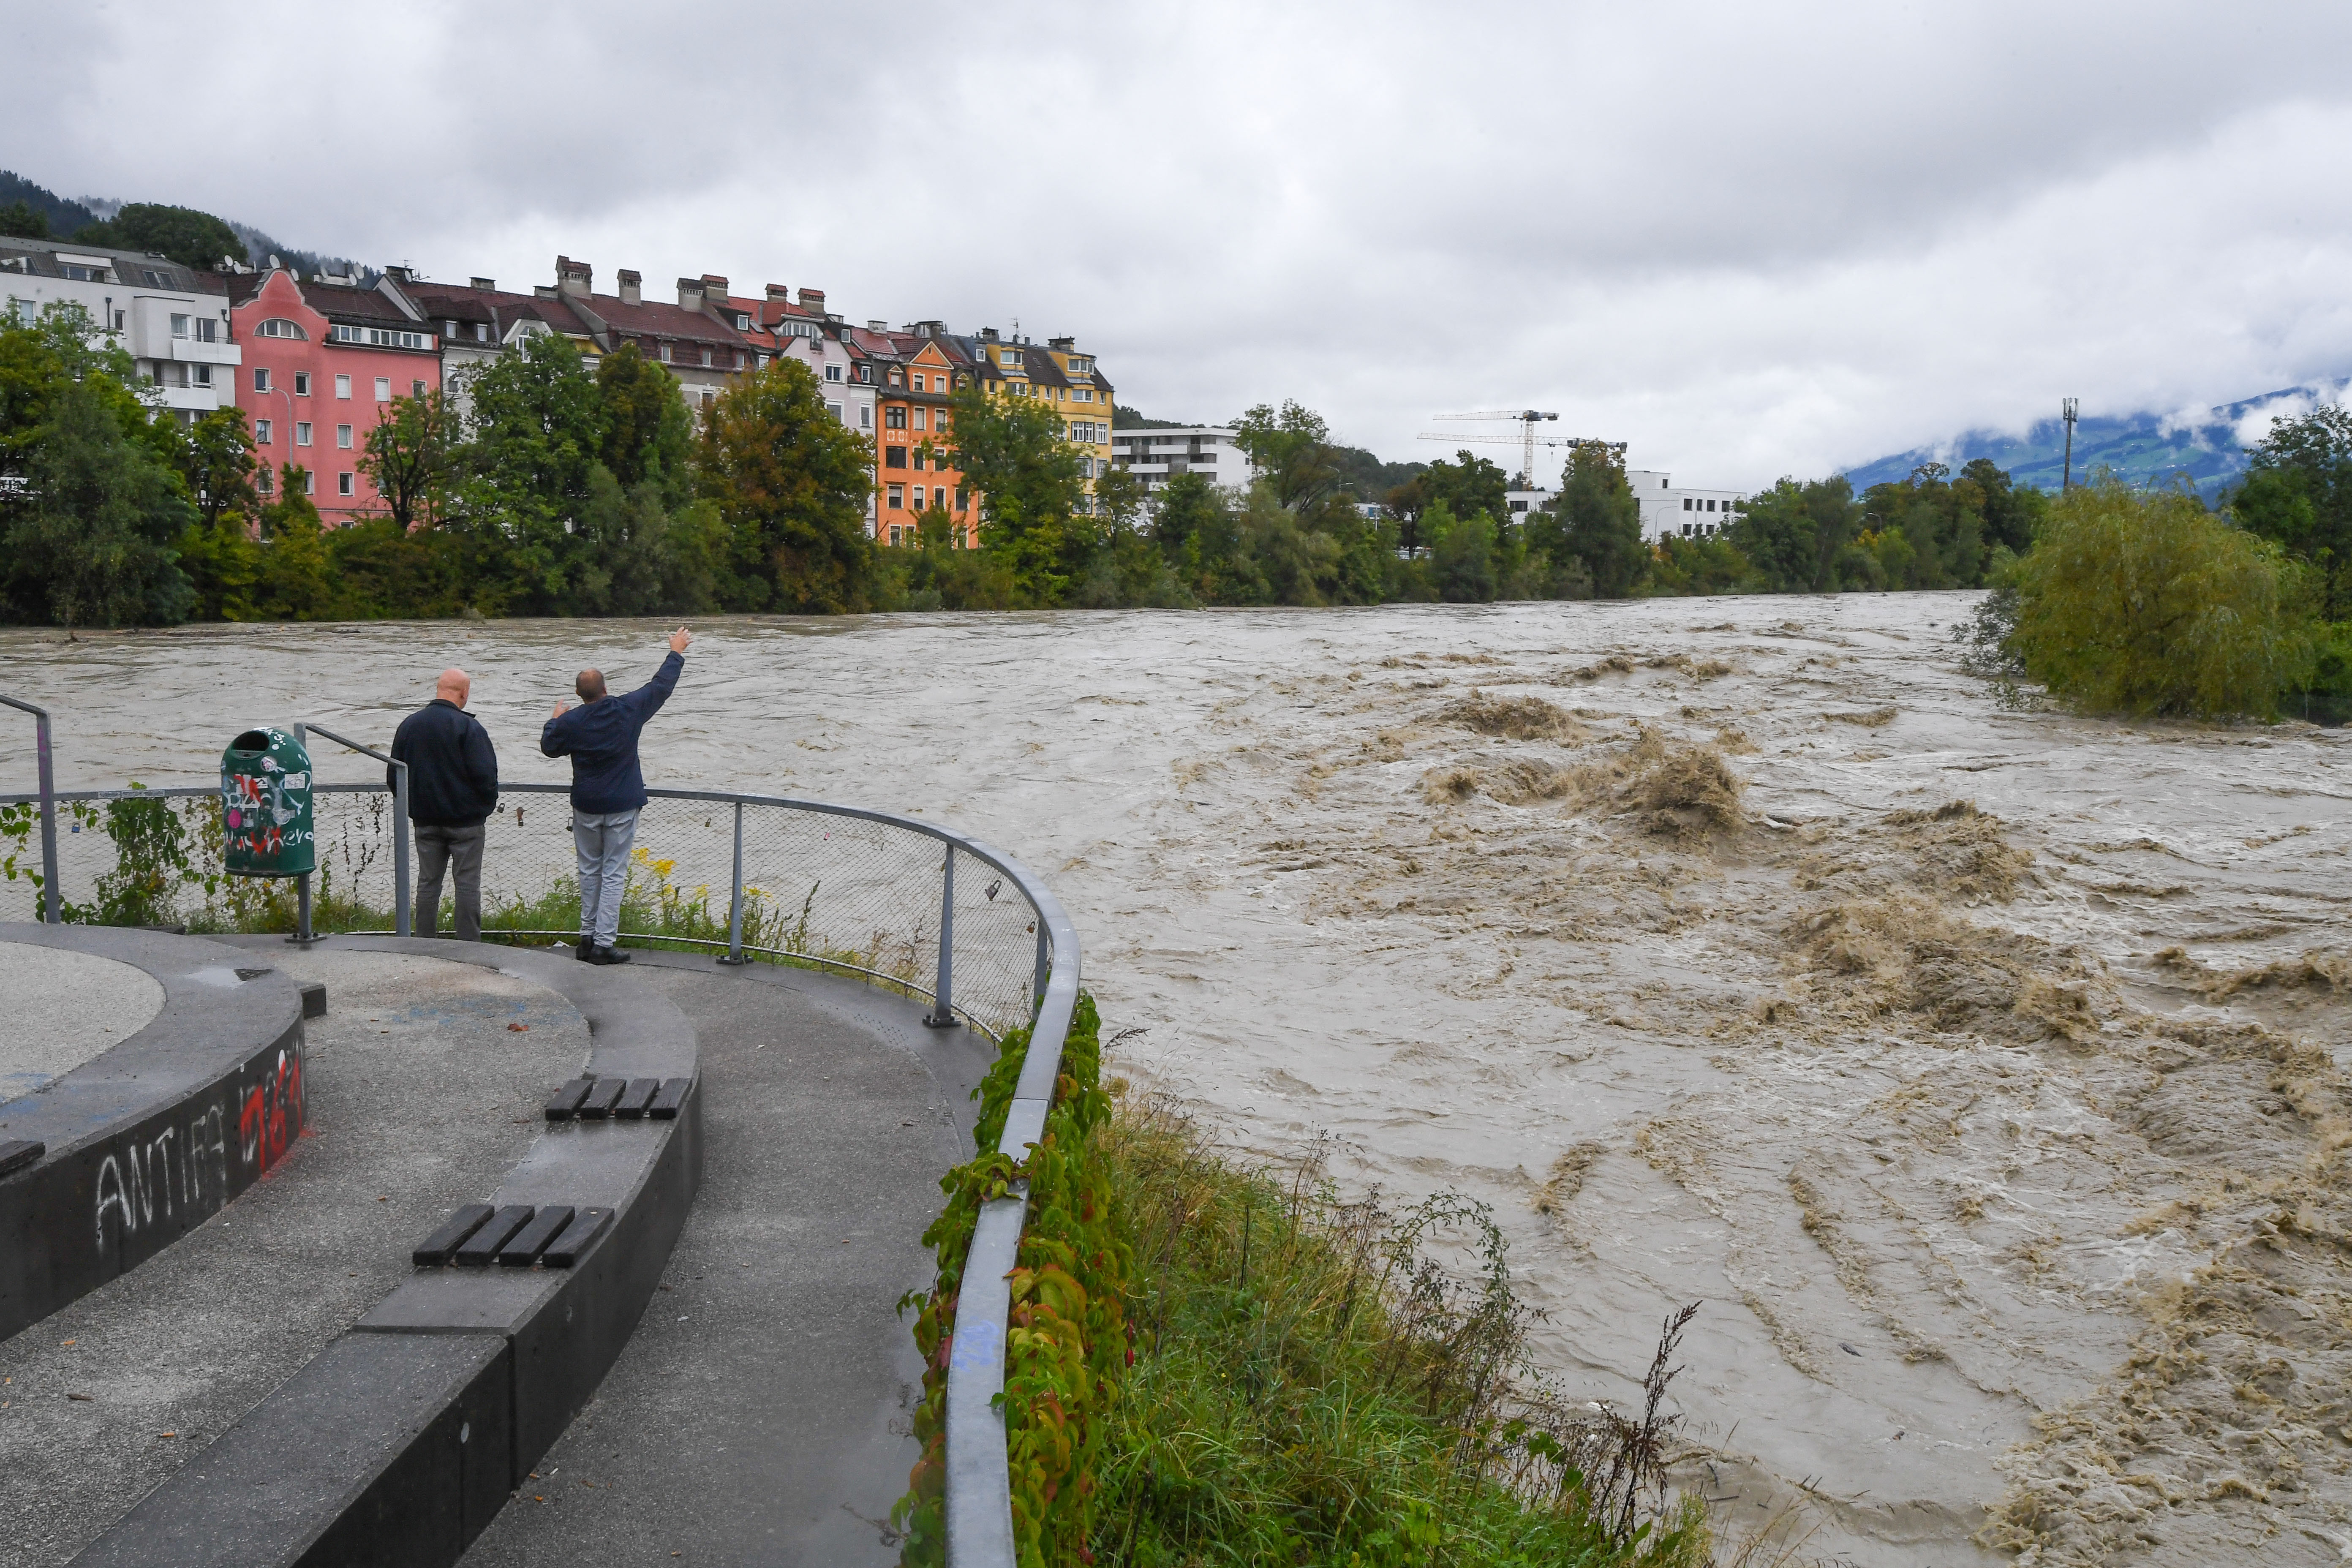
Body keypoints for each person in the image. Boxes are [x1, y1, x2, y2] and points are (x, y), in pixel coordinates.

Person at [542, 627, 692, 965]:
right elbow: (661, 687)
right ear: (606, 689)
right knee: (613, 874)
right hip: (622, 805)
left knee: (589, 871)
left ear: (579, 695)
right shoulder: (628, 709)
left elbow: (549, 748)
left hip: (586, 806)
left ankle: (586, 939)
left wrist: (554, 721)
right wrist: (676, 651)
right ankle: (604, 944)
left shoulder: (573, 722)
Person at [389, 667, 499, 941]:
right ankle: (469, 947)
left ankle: (425, 943)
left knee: (428, 884)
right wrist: (483, 810)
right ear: (464, 693)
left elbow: (394, 777)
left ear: (438, 689)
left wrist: (414, 807)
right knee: (467, 885)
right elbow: (486, 777)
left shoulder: (409, 726)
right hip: (466, 823)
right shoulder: (469, 727)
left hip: (425, 821)